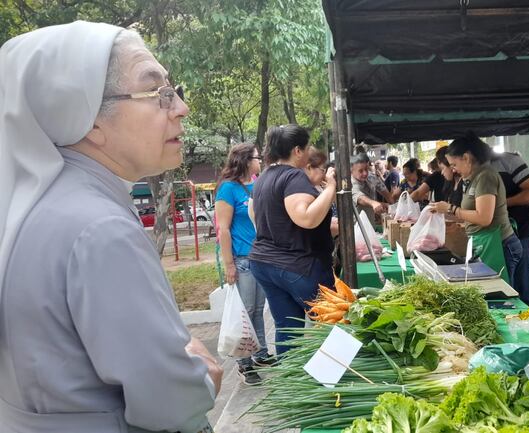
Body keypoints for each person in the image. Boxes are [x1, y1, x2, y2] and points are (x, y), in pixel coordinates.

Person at [0, 22, 222, 432]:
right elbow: (171, 400)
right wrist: (201, 371)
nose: (180, 108)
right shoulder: (99, 228)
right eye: (157, 93)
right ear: (87, 118)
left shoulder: (39, 209)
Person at [249, 125, 337, 354]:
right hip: (299, 266)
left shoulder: (263, 178)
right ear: (297, 151)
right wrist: (331, 189)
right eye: (307, 147)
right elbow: (305, 218)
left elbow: (254, 215)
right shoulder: (294, 176)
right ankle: (333, 381)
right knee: (332, 326)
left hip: (265, 263)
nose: (309, 152)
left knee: (288, 329)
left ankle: (287, 382)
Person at [430, 134, 522, 288]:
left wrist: (451, 209)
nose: (453, 169)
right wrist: (445, 214)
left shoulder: (485, 176)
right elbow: (471, 213)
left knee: (500, 294)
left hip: (499, 245)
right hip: (486, 242)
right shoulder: (474, 178)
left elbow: (484, 218)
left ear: (466, 158)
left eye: (454, 164)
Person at [215, 143, 270, 384]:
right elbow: (223, 229)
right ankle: (243, 363)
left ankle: (261, 353)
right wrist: (229, 265)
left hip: (259, 256)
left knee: (258, 309)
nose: (260, 161)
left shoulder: (257, 184)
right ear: (246, 160)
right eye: (257, 157)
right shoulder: (228, 189)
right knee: (245, 311)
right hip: (241, 259)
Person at [490, 152, 529, 306]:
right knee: (504, 283)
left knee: (524, 279)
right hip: (492, 236)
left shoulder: (508, 161)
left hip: (518, 230)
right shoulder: (470, 170)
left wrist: (501, 203)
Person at [351, 153, 393, 225]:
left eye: (366, 169)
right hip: (357, 226)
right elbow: (360, 198)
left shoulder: (371, 176)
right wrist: (373, 203)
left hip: (371, 221)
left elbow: (384, 191)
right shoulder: (350, 183)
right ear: (351, 171)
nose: (365, 173)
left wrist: (391, 205)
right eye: (360, 171)